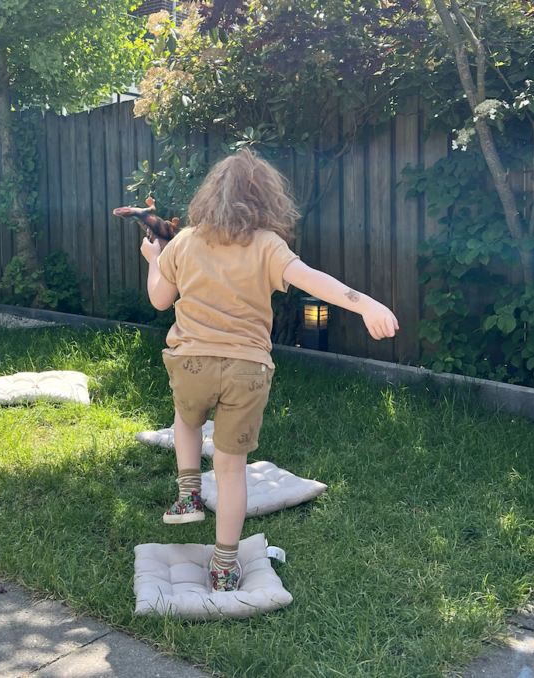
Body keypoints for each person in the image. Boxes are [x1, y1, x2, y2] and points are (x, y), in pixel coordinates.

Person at [140, 149, 398, 592]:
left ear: (210, 196)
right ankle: (224, 566)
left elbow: (160, 301)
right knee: (231, 466)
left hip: (191, 363)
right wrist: (367, 304)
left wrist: (152, 259)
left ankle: (187, 496)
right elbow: (316, 280)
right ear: (267, 202)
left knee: (186, 420)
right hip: (247, 369)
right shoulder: (267, 245)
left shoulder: (184, 241)